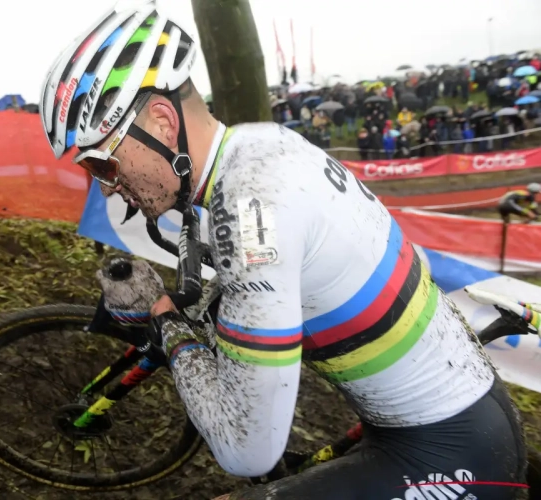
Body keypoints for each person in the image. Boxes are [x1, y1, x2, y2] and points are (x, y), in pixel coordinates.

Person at [40, 3, 526, 498]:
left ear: (163, 123)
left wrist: (166, 323)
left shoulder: (253, 210)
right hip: (453, 417)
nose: (105, 188)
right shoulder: (258, 146)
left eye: (102, 165)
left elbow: (244, 449)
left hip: (448, 455)